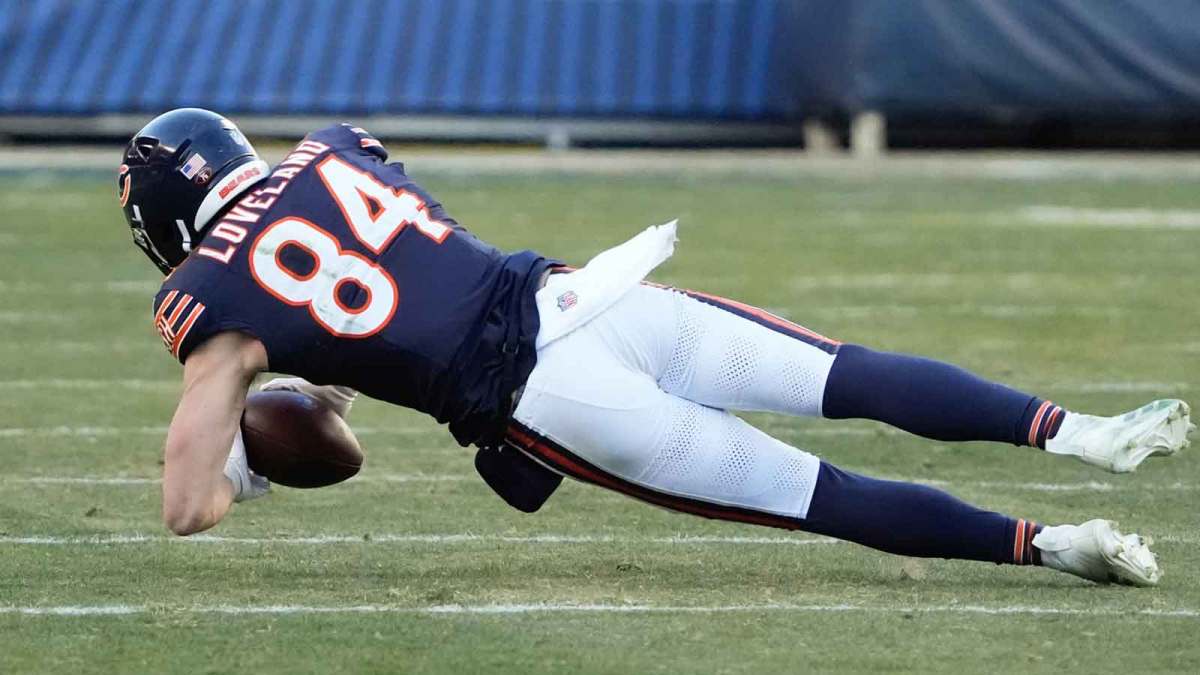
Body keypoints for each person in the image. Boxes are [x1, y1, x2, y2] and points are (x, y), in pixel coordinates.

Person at [120, 109, 1193, 587]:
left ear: (164, 223)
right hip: (597, 297)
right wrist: (324, 387)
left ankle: (1055, 544)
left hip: (553, 405)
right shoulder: (335, 149)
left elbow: (185, 505)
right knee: (845, 372)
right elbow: (391, 298)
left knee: (819, 494)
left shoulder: (206, 295)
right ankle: (1083, 431)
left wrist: (256, 462)